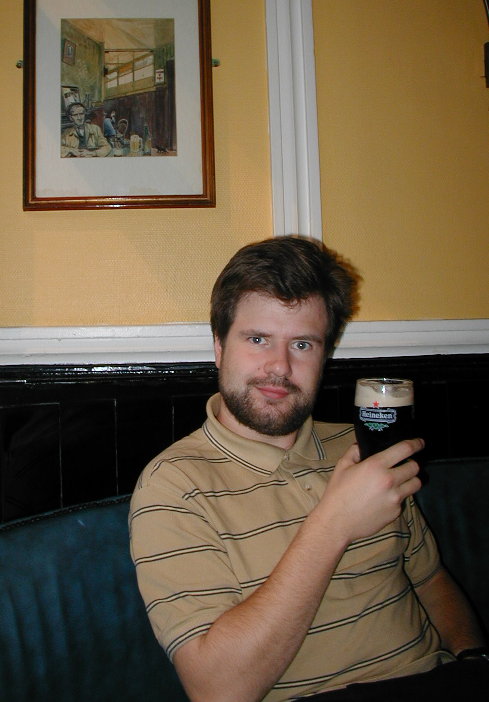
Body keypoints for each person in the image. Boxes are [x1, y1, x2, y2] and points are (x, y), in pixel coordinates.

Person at [129, 236, 488, 702]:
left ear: (325, 355)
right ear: (219, 347)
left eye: (302, 344)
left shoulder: (360, 448)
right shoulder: (173, 486)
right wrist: (334, 524)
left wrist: (472, 659)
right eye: (258, 339)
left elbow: (430, 577)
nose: (279, 367)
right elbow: (218, 690)